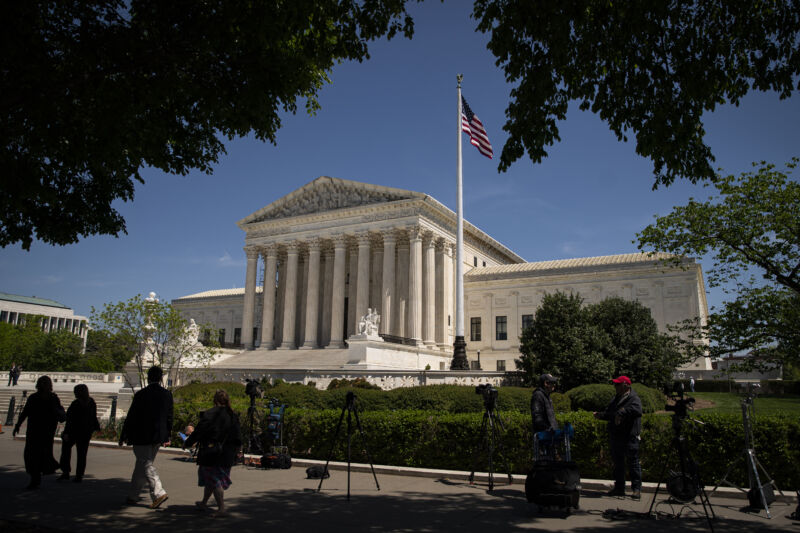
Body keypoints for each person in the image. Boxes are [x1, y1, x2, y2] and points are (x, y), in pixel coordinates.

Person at [119, 366, 173, 509]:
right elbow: (169, 417)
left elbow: (131, 416)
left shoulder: (141, 394)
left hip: (141, 434)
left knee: (145, 463)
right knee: (142, 464)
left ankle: (158, 492)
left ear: (148, 377)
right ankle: (133, 495)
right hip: (158, 435)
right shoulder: (167, 394)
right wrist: (167, 435)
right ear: (161, 378)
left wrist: (124, 434)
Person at [184, 390, 242, 517]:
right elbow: (238, 436)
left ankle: (221, 508)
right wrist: (238, 451)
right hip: (227, 453)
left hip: (211, 452)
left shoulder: (210, 414)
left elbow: (198, 432)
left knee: (215, 480)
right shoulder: (233, 415)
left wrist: (188, 442)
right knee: (212, 479)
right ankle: (204, 503)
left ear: (215, 400)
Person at [593, 375, 643, 499]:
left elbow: (637, 411)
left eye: (618, 384)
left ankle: (636, 489)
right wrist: (601, 415)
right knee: (618, 464)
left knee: (633, 463)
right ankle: (619, 488)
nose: (615, 387)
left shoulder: (633, 398)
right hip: (617, 436)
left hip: (630, 436)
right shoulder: (616, 398)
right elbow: (610, 413)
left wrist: (622, 411)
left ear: (626, 385)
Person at [12, 375, 66, 489]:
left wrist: (18, 424)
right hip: (40, 430)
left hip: (41, 429)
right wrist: (18, 424)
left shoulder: (44, 398)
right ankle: (38, 475)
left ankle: (37, 476)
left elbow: (25, 412)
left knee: (36, 454)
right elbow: (26, 412)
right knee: (36, 454)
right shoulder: (45, 397)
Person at [58, 384, 101, 482]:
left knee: (66, 451)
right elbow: (93, 417)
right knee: (82, 454)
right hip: (85, 432)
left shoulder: (76, 404)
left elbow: (69, 419)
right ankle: (79, 475)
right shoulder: (91, 403)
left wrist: (66, 432)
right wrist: (97, 428)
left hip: (74, 431)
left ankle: (66, 472)